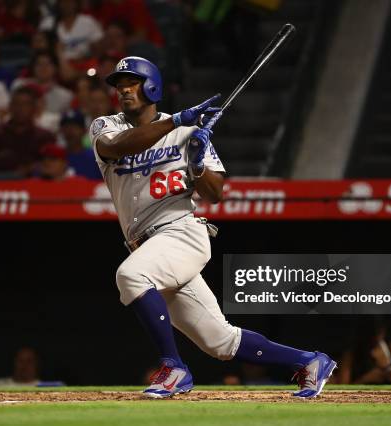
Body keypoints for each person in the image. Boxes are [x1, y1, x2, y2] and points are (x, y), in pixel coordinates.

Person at [89, 56, 336, 399]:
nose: (123, 90)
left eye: (131, 82)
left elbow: (215, 193)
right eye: (119, 85)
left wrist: (196, 165)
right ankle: (309, 361)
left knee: (131, 277)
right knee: (219, 341)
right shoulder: (107, 125)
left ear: (151, 86)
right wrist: (176, 121)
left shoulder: (188, 134)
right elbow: (115, 148)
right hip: (149, 245)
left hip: (180, 232)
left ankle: (172, 367)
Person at [0, 86, 56, 179]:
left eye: (25, 104)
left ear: (34, 108)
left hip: (32, 184)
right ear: (10, 106)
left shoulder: (45, 136)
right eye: (16, 104)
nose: (20, 108)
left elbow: (51, 164)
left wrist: (30, 169)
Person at [336, 319, 391, 384]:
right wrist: (365, 380)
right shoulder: (350, 355)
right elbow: (342, 388)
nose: (376, 338)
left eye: (379, 332)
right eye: (371, 334)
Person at [59, 110, 101, 179]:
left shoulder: (95, 158)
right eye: (66, 127)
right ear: (61, 131)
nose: (70, 131)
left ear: (84, 130)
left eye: (75, 127)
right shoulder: (57, 158)